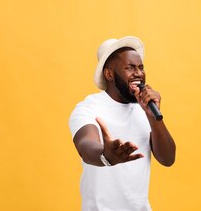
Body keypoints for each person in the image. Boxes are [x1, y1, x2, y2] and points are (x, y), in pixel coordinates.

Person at [69, 36, 176, 211]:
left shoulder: (144, 110)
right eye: (130, 68)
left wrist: (152, 116)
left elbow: (168, 159)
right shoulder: (89, 108)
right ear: (109, 74)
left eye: (141, 67)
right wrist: (106, 155)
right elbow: (86, 146)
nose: (139, 73)